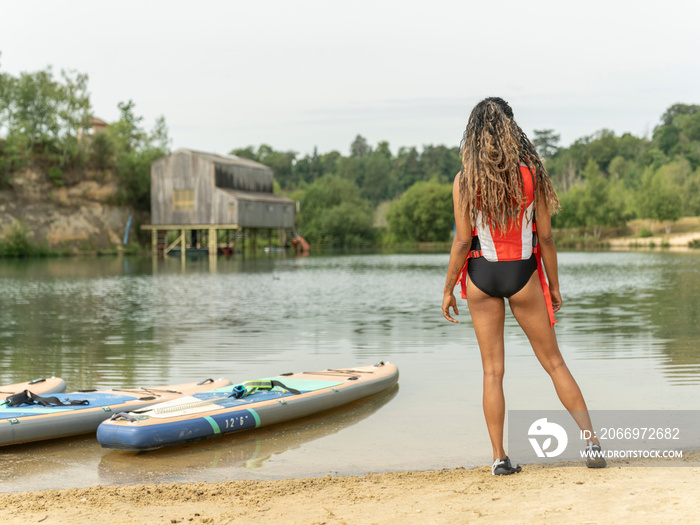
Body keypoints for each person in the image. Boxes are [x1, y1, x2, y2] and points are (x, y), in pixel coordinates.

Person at [441, 97, 605, 475]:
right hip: (524, 276)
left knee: (492, 372)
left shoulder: (465, 180)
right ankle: (591, 444)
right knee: (554, 362)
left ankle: (499, 458)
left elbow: (462, 241)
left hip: (481, 276)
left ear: (474, 133)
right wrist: (555, 286)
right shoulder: (532, 174)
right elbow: (545, 238)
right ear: (511, 128)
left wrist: (449, 288)